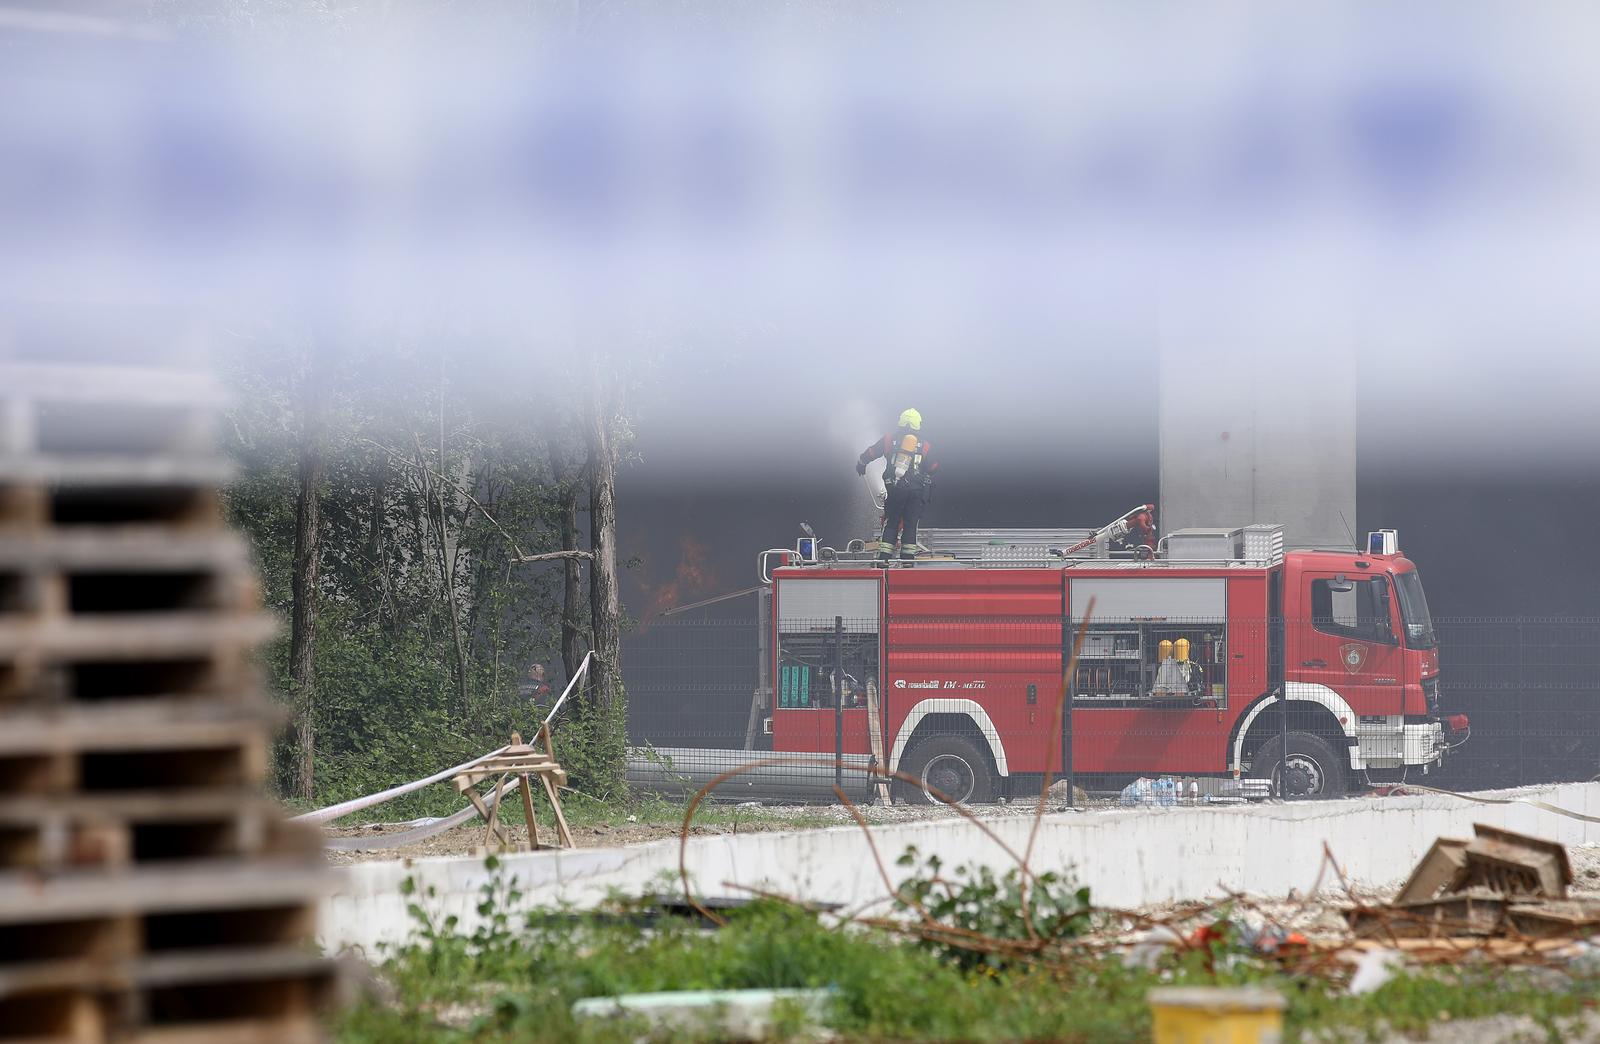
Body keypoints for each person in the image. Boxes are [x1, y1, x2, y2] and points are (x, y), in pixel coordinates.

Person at [856, 407, 938, 562]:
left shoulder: (889, 439)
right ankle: (907, 561)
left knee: (892, 522)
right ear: (917, 424)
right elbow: (933, 466)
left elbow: (872, 452)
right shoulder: (925, 445)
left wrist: (861, 463)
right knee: (910, 524)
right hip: (916, 492)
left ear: (901, 422)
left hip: (895, 488)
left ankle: (884, 559)